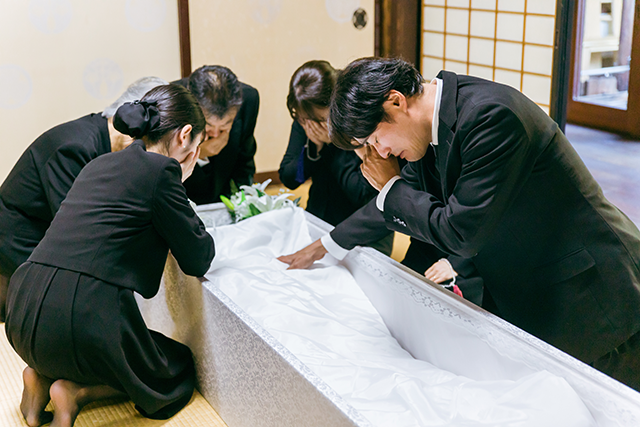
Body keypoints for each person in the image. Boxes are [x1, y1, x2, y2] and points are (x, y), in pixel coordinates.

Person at [278, 57, 640, 391]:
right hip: (527, 283)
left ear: (395, 102)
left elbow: (460, 233)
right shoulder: (424, 132)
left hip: (590, 289)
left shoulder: (492, 116)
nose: (381, 154)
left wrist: (391, 187)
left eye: (375, 140)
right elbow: (395, 205)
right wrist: (327, 244)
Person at [4, 84, 215, 427]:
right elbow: (198, 257)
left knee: (122, 350)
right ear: (184, 135)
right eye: (197, 145)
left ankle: (41, 377)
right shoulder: (162, 173)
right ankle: (76, 393)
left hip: (21, 311)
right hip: (79, 320)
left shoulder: (98, 164)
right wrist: (180, 180)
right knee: (174, 369)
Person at [0, 76, 168, 321]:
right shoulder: (74, 147)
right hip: (20, 240)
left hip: (49, 239)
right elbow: (79, 230)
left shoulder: (107, 143)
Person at [278, 60, 394, 255]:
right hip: (320, 214)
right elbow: (290, 178)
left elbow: (362, 195)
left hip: (366, 227)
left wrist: (337, 142)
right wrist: (314, 148)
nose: (311, 124)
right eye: (302, 119)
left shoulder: (360, 116)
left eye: (321, 119)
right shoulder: (309, 119)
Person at [173, 65, 259, 204]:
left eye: (225, 126)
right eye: (208, 125)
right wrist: (197, 154)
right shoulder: (172, 102)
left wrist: (244, 203)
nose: (215, 134)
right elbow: (165, 173)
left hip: (224, 192)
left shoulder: (249, 99)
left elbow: (245, 158)